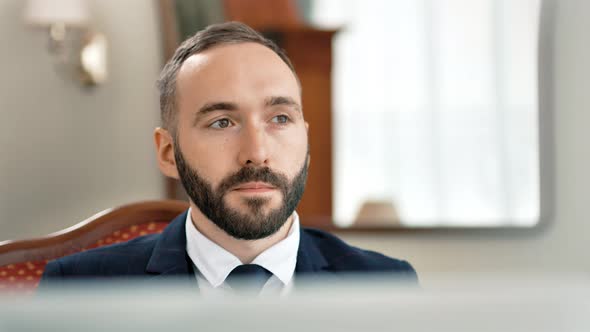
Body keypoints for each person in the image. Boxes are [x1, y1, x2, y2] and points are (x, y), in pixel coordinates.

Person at [40, 22, 417, 295]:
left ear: (306, 139)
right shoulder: (79, 288)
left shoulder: (386, 286)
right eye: (222, 122)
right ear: (168, 153)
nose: (256, 153)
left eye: (280, 119)